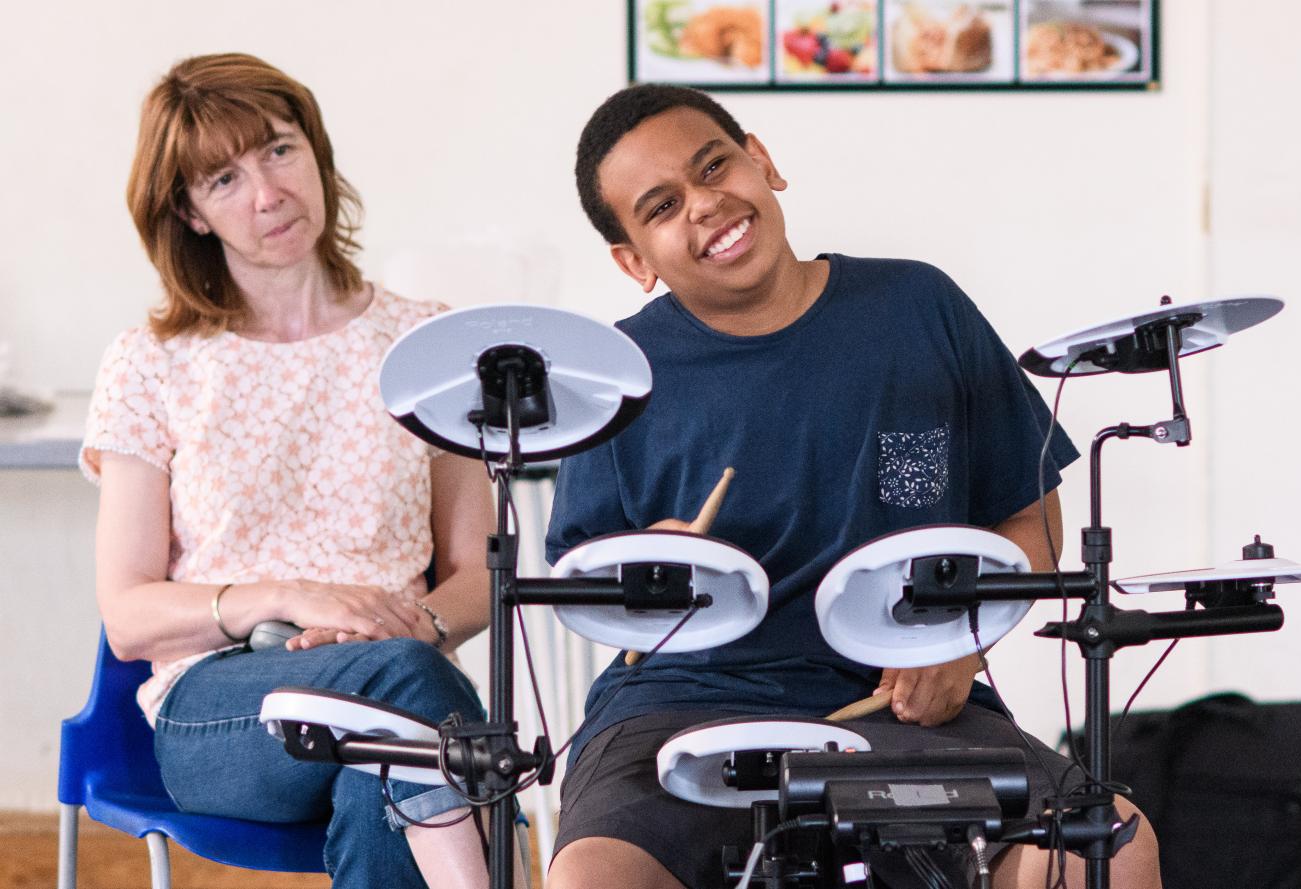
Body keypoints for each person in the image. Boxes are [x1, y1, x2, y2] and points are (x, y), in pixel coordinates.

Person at [543, 84, 1164, 889]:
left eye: (714, 167)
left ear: (762, 161)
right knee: (594, 877)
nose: (704, 204)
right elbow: (581, 588)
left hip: (905, 703)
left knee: (1111, 846)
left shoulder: (918, 306)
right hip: (678, 705)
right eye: (662, 207)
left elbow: (1028, 517)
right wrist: (649, 571)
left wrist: (962, 644)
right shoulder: (616, 375)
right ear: (634, 260)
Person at [83, 53, 495, 889]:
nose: (268, 193)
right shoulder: (152, 364)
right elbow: (128, 616)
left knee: (388, 776)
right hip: (225, 705)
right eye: (224, 180)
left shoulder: (425, 346)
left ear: (316, 151)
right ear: (190, 213)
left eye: (278, 150)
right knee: (418, 710)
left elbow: (480, 574)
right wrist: (292, 597)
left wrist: (411, 627)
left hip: (405, 678)